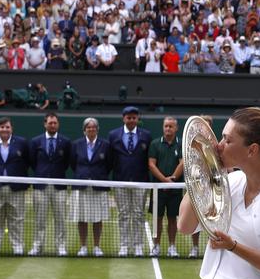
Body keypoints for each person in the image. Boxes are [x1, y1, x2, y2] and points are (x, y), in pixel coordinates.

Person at [176, 106, 260, 279]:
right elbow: (184, 226)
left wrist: (233, 247)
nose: (218, 146)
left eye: (227, 140)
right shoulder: (230, 182)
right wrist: (201, 172)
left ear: (252, 150)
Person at [0, 117, 30, 255]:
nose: (5, 129)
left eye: (7, 127)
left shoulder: (21, 143)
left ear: (12, 129)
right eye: (2, 127)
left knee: (17, 218)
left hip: (15, 188)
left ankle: (18, 246)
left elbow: (26, 161)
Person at [109, 106, 152, 256]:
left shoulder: (146, 135)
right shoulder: (113, 135)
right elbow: (110, 159)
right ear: (124, 118)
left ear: (137, 119)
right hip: (120, 181)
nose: (132, 120)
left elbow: (149, 160)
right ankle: (124, 245)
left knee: (139, 214)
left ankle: (138, 245)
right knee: (123, 214)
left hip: (140, 181)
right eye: (129, 117)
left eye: (134, 117)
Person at [29, 113, 72, 256]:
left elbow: (66, 163)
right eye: (50, 123)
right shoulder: (36, 142)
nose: (52, 125)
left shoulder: (65, 142)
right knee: (40, 219)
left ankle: (60, 247)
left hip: (59, 186)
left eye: (55, 123)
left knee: (60, 219)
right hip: (40, 186)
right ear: (45, 124)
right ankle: (37, 246)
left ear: (58, 124)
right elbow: (33, 162)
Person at [70, 118, 111, 257]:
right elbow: (73, 163)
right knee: (82, 217)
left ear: (97, 130)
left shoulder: (105, 145)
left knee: (97, 218)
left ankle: (96, 246)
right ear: (84, 130)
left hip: (99, 186)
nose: (91, 130)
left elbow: (109, 164)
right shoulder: (76, 144)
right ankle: (83, 246)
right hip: (81, 185)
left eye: (94, 128)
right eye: (88, 128)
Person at [148, 117, 184, 257]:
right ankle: (156, 246)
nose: (168, 128)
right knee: (157, 218)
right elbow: (151, 164)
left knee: (172, 219)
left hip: (175, 189)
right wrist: (164, 181)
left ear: (176, 128)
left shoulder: (180, 144)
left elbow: (183, 162)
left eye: (171, 126)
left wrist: (172, 180)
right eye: (166, 126)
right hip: (158, 189)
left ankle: (172, 247)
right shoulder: (155, 144)